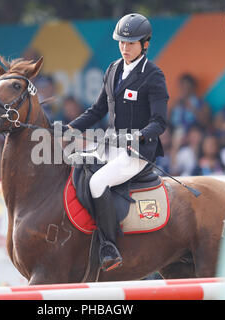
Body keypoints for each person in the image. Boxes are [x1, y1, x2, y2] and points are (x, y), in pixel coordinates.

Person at [65, 13, 169, 272]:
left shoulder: (153, 75)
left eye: (131, 43)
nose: (125, 48)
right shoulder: (113, 69)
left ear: (145, 44)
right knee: (77, 164)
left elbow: (160, 122)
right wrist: (69, 128)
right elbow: (97, 109)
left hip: (137, 152)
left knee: (97, 181)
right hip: (111, 146)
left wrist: (137, 136)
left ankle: (109, 246)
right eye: (121, 42)